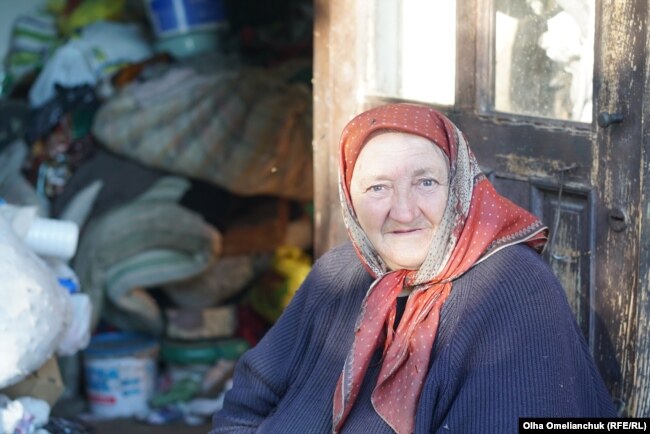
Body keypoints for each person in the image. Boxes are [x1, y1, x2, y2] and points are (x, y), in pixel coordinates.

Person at [210, 103, 617, 433]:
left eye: (425, 182)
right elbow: (250, 398)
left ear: (459, 187)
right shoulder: (341, 271)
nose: (403, 211)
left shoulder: (511, 286)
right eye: (378, 187)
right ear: (350, 199)